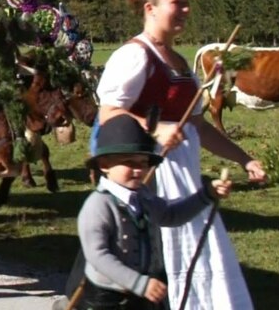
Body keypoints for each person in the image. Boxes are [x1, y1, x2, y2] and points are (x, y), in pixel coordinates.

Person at [95, 0, 267, 309]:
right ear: (151, 8)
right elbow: (108, 113)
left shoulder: (180, 62)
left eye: (187, 3)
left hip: (184, 177)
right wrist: (154, 129)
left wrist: (244, 159)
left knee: (196, 256)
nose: (186, 10)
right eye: (178, 3)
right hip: (149, 179)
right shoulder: (135, 56)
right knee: (154, 265)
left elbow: (199, 128)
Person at [77, 114, 232, 310]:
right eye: (129, 162)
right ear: (105, 165)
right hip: (108, 299)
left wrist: (206, 194)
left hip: (143, 294)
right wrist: (139, 283)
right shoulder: (98, 205)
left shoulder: (144, 196)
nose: (138, 170)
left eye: (143, 163)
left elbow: (170, 216)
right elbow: (97, 256)